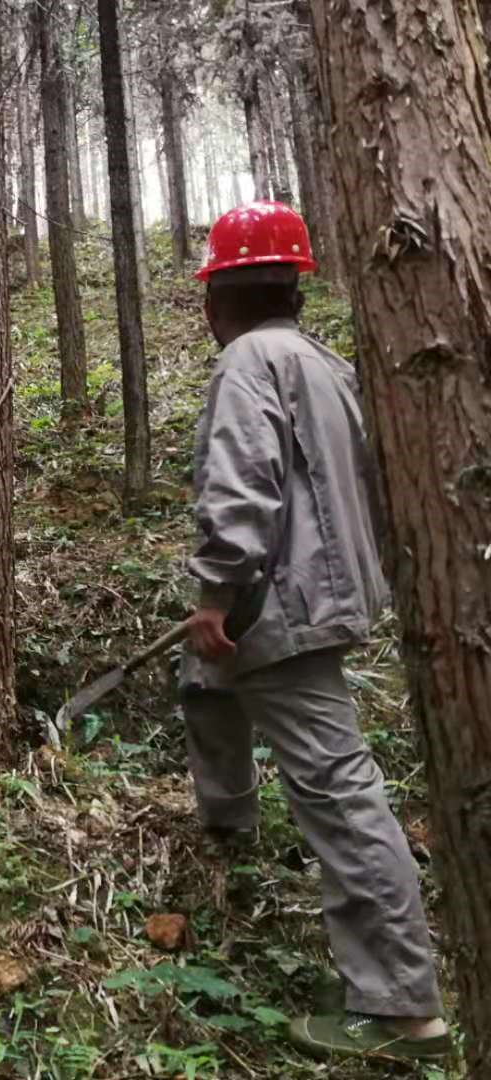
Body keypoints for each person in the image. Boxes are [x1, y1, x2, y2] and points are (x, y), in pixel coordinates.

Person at [182, 202, 448, 1061]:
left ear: (222, 291)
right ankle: (228, 831)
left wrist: (218, 594)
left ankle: (404, 1007)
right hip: (316, 595)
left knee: (341, 796)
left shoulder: (245, 364)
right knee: (202, 684)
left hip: (276, 605)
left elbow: (241, 491)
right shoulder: (323, 363)